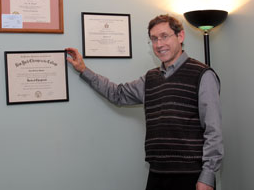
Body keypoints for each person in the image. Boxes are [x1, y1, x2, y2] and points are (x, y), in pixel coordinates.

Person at [66, 14, 223, 190]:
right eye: (154, 39)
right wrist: (83, 70)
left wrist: (208, 176)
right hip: (157, 173)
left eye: (164, 36)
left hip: (191, 176)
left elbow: (213, 130)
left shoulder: (203, 75)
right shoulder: (150, 78)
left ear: (180, 36)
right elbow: (117, 93)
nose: (159, 44)